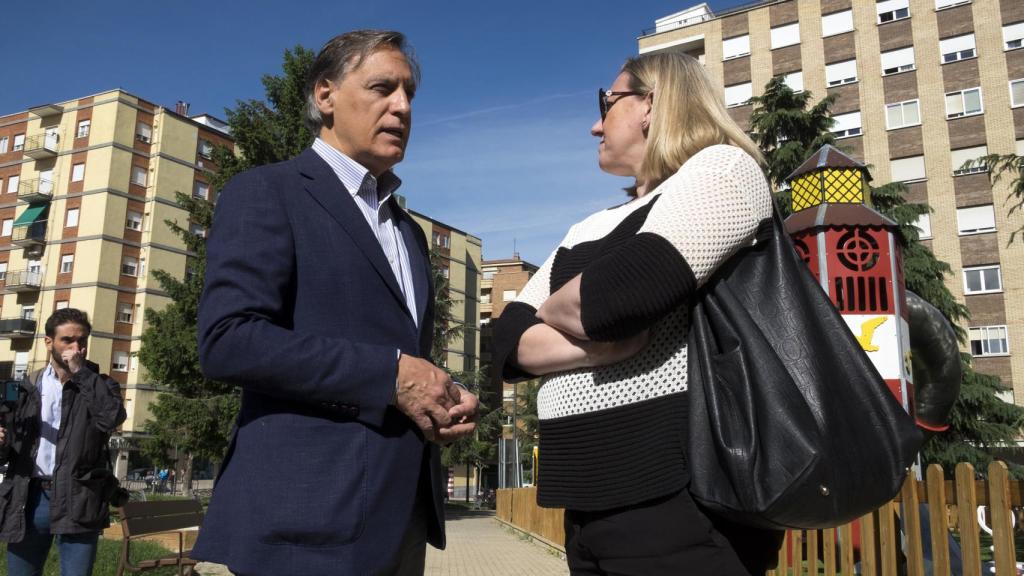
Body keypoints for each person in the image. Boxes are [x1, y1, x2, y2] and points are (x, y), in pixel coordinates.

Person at [194, 29, 478, 576]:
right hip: (308, 526)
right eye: (382, 87)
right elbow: (227, 340)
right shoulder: (267, 192)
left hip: (403, 518)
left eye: (410, 93)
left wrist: (440, 395)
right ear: (325, 95)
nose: (402, 106)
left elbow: (392, 353)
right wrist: (390, 376)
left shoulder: (409, 232)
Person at [492, 52, 784, 575]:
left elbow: (617, 297)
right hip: (585, 505)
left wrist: (562, 309)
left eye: (607, 103)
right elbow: (503, 340)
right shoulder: (589, 226)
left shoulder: (723, 170)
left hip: (681, 500)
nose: (594, 124)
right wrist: (607, 342)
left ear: (651, 104)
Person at [0, 308, 127, 576]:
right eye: (67, 340)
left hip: (79, 498)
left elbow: (111, 418)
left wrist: (80, 372)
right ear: (49, 342)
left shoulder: (101, 385)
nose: (76, 348)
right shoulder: (27, 388)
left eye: (82, 342)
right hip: (29, 498)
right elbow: (8, 451)